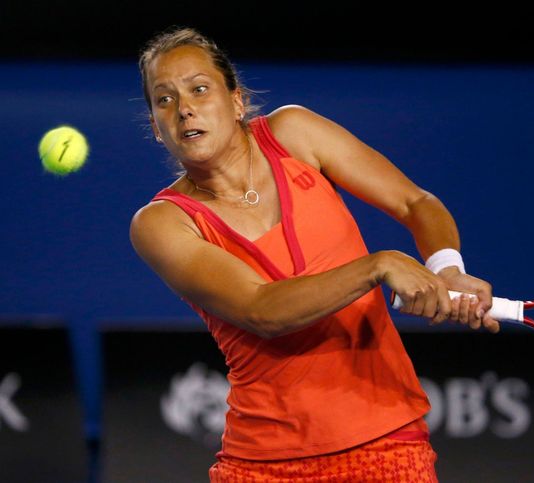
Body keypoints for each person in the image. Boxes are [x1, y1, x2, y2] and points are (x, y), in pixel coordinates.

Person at [130, 26, 499, 482]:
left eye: (199, 89)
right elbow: (262, 310)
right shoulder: (162, 223)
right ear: (156, 127)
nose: (184, 109)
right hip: (264, 464)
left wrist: (447, 267)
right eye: (164, 100)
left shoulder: (294, 134)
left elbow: (414, 203)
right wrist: (379, 265)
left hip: (386, 443)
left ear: (237, 101)